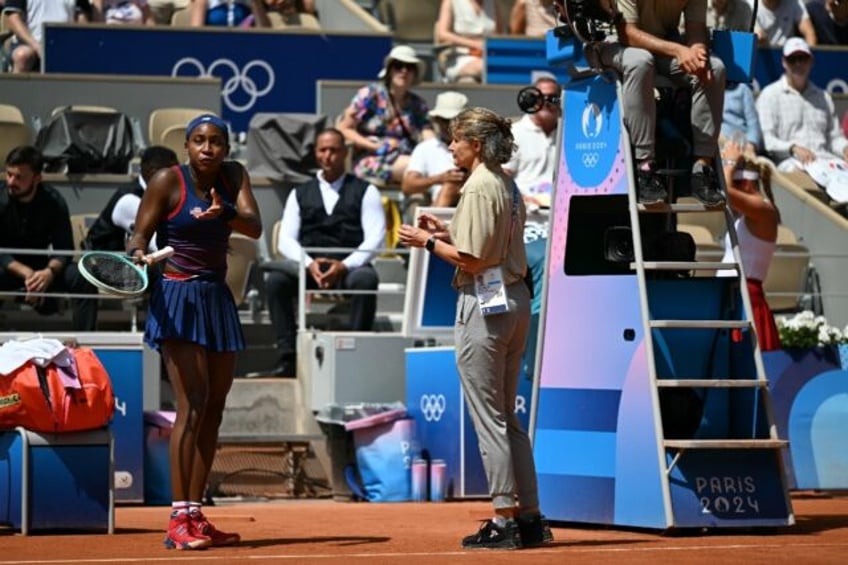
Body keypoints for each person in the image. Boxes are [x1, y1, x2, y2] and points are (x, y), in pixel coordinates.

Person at [398, 107, 551, 550]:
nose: (451, 146)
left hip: (487, 306)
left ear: (477, 145)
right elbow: (491, 240)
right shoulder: (504, 182)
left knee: (491, 418)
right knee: (508, 418)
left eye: (457, 139)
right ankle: (530, 519)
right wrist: (446, 229)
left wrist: (427, 241)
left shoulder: (482, 185)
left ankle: (504, 519)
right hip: (514, 299)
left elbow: (474, 259)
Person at [126, 114, 262, 550]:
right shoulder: (167, 181)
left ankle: (197, 515)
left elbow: (254, 226)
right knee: (193, 404)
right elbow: (138, 236)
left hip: (216, 299)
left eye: (216, 141)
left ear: (226, 148)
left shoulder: (235, 176)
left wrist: (227, 216)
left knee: (215, 408)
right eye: (200, 141)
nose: (208, 148)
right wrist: (139, 252)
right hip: (178, 297)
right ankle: (178, 520)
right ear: (187, 146)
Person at [253, 128, 385, 379]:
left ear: (345, 153)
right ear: (316, 154)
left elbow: (375, 239)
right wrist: (310, 264)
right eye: (323, 150)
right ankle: (288, 357)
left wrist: (344, 265)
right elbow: (285, 240)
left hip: (350, 267)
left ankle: (356, 356)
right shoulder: (299, 193)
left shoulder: (366, 191)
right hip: (309, 267)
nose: (328, 156)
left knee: (366, 280)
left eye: (334, 150)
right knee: (277, 283)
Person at [597, 0, 727, 207]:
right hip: (615, 43)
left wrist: (699, 52)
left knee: (715, 68)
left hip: (666, 45)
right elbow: (627, 33)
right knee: (640, 61)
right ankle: (645, 168)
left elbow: (696, 29)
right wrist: (678, 50)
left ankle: (701, 170)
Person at [0, 145, 98, 331]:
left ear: (37, 178)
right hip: (8, 268)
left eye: (19, 177)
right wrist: (27, 274)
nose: (11, 182)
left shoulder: (53, 201)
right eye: (9, 174)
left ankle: (85, 345)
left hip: (42, 269)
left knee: (82, 277)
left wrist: (48, 273)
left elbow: (64, 249)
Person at [718, 139, 782, 351]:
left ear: (746, 183)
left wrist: (729, 162)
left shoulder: (764, 210)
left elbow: (723, 193)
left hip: (746, 301)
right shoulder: (748, 215)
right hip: (732, 298)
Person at [337, 45, 433, 185]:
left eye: (410, 67)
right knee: (420, 170)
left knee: (425, 173)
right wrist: (373, 146)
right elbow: (344, 129)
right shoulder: (371, 94)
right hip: (372, 159)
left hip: (408, 158)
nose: (404, 71)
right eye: (398, 66)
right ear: (389, 70)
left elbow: (428, 135)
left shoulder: (418, 104)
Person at [756, 37, 848, 171]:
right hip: (791, 163)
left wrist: (845, 148)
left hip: (825, 161)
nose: (798, 64)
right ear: (784, 62)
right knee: (797, 171)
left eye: (803, 59)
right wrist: (793, 148)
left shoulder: (823, 97)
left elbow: (834, 138)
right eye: (792, 60)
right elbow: (767, 140)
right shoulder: (770, 95)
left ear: (811, 61)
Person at [84, 146, 179, 252]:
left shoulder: (157, 195)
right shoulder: (129, 200)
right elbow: (155, 246)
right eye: (173, 175)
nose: (178, 180)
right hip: (104, 265)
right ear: (153, 173)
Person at [402, 91, 470, 209]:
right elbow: (408, 185)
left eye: (454, 120)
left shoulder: (476, 145)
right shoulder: (425, 148)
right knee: (449, 187)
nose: (448, 125)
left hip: (472, 203)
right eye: (443, 119)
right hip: (443, 204)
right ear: (436, 120)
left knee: (450, 187)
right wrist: (440, 178)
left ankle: (430, 225)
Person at [504, 75, 560, 208]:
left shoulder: (569, 135)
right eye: (540, 97)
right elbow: (503, 176)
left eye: (552, 98)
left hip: (559, 210)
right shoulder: (514, 133)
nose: (546, 103)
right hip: (524, 211)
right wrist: (522, 199)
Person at [2, 0, 91, 73]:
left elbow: (82, 18)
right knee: (22, 56)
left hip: (66, 44)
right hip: (30, 43)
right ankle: (16, 93)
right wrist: (37, 46)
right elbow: (13, 19)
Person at [435, 0, 499, 83]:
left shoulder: (493, 3)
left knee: (500, 66)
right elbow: (442, 35)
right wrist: (475, 44)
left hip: (487, 56)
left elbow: (499, 35)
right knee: (487, 66)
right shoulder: (451, 2)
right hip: (459, 57)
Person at [721, 81, 763, 156]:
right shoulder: (705, 90)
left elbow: (753, 123)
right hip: (719, 147)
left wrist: (751, 144)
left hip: (742, 146)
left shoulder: (742, 89)